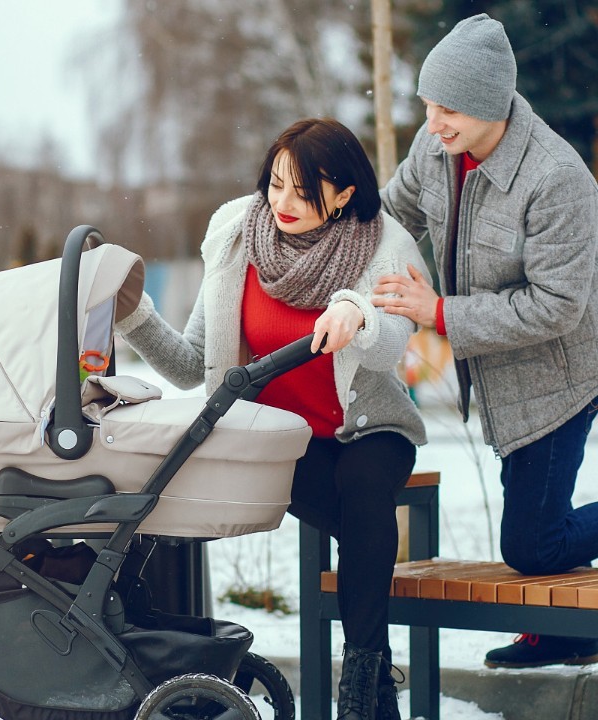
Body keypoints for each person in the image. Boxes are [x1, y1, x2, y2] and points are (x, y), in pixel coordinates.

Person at [116, 118, 429, 720]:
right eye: (276, 184)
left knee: (363, 488)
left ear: (343, 195)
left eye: (304, 191)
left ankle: (360, 688)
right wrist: (133, 315)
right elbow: (190, 365)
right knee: (365, 528)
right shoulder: (235, 234)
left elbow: (392, 343)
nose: (282, 203)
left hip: (370, 430)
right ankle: (377, 690)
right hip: (282, 439)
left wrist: (357, 312)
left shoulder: (384, 243)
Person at [373, 13, 598, 669]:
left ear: (493, 106)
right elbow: (393, 213)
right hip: (498, 376)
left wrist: (437, 310)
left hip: (559, 377)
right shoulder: (435, 148)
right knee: (534, 534)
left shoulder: (558, 178)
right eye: (427, 104)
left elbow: (557, 307)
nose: (434, 121)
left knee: (531, 544)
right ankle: (566, 629)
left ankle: (564, 629)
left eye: (450, 109)